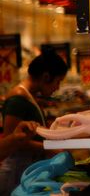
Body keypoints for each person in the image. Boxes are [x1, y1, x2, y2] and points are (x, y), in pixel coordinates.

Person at [0, 52, 68, 193]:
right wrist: (48, 147)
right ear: (46, 77)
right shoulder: (18, 98)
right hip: (16, 171)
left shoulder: (28, 97)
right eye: (58, 81)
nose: (58, 87)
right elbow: (11, 139)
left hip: (24, 168)